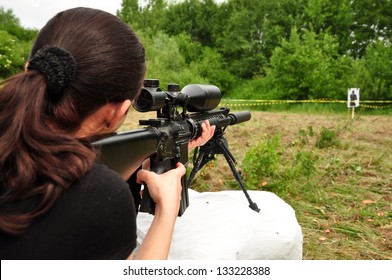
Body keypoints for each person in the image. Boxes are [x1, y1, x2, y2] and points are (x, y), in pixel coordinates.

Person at [0, 7, 214, 260]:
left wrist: (162, 151)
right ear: (118, 112)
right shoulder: (100, 196)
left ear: (28, 70)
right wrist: (167, 207)